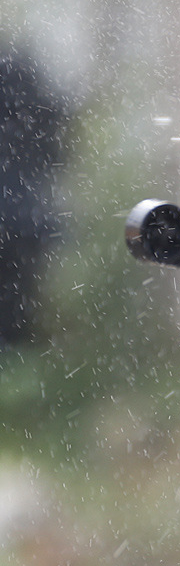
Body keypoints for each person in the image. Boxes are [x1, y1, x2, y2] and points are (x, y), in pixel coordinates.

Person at [0, 46, 67, 348]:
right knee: (17, 312)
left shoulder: (15, 66)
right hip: (24, 219)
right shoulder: (19, 65)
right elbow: (54, 135)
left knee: (15, 317)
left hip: (20, 219)